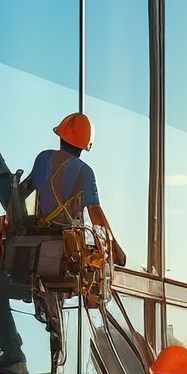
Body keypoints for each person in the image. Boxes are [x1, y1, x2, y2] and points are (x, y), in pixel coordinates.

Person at [27, 112, 127, 268]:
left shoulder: (43, 158)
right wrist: (115, 250)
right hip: (61, 248)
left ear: (60, 136)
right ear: (86, 145)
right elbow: (96, 216)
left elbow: (26, 191)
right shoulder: (84, 172)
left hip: (35, 240)